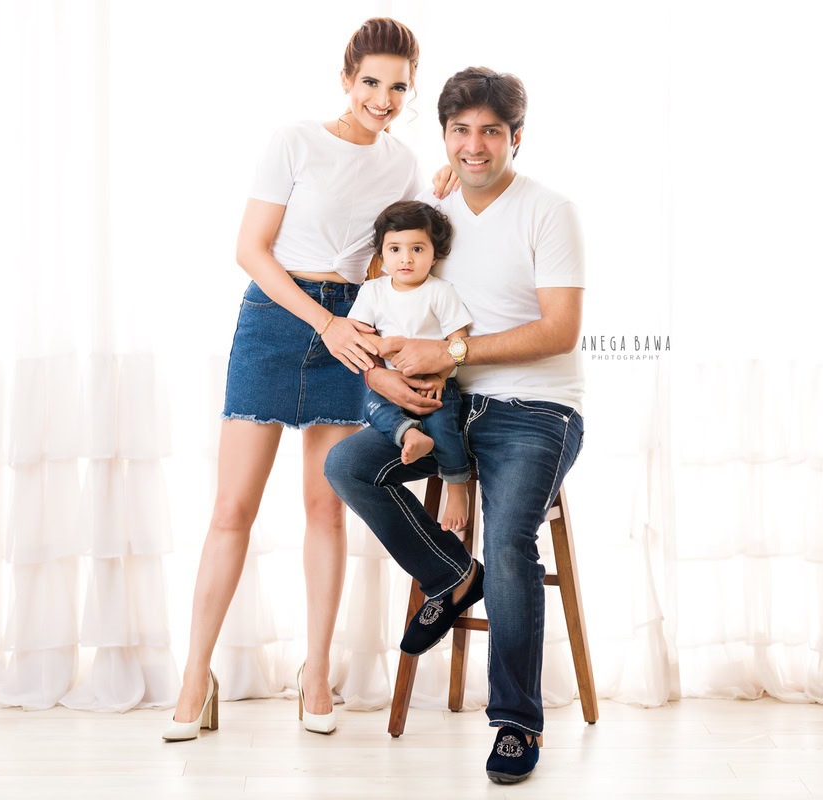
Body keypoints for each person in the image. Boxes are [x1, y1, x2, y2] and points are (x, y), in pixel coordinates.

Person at [163, 17, 429, 741]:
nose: (382, 98)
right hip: (277, 320)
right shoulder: (295, 141)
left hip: (352, 327)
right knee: (231, 510)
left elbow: (394, 258)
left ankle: (315, 674)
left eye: (398, 87)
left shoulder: (403, 165)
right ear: (346, 78)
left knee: (324, 509)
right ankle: (195, 676)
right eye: (370, 81)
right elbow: (251, 249)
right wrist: (325, 323)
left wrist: (365, 323)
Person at [325, 67, 585, 784]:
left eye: (491, 132)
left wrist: (454, 353)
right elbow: (385, 303)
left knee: (508, 537)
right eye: (460, 131)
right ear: (443, 137)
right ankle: (451, 574)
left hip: (536, 410)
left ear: (516, 138)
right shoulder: (433, 211)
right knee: (347, 465)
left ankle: (516, 723)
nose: (475, 146)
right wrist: (379, 374)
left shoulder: (549, 211)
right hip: (445, 405)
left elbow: (560, 330)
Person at [347, 200, 473, 532]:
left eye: (417, 249)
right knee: (371, 407)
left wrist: (441, 376)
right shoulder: (373, 291)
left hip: (433, 382)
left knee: (444, 427)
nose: (406, 258)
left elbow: (459, 342)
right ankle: (410, 434)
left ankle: (456, 489)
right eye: (395, 249)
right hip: (390, 385)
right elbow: (361, 337)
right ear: (381, 254)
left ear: (435, 255)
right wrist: (383, 347)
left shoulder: (440, 292)